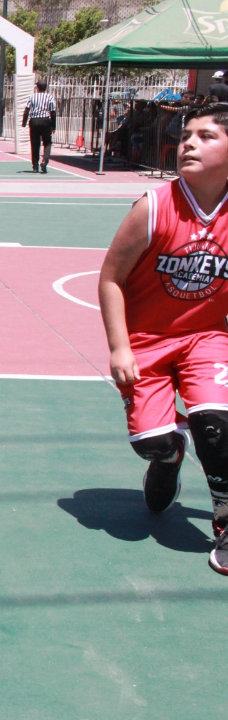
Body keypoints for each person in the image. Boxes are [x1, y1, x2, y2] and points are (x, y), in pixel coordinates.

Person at [98, 103, 228, 574]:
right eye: (187, 134)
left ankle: (225, 519)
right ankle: (170, 454)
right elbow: (110, 279)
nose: (189, 142)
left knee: (215, 422)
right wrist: (119, 347)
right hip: (147, 339)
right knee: (150, 440)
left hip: (206, 335)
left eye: (207, 136)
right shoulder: (152, 208)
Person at [22, 80, 57, 174]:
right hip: (45, 121)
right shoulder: (49, 97)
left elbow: (26, 110)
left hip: (34, 121)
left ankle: (35, 167)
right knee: (47, 143)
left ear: (37, 87)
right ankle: (45, 160)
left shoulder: (32, 96)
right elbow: (53, 112)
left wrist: (23, 123)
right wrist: (54, 126)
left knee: (35, 144)